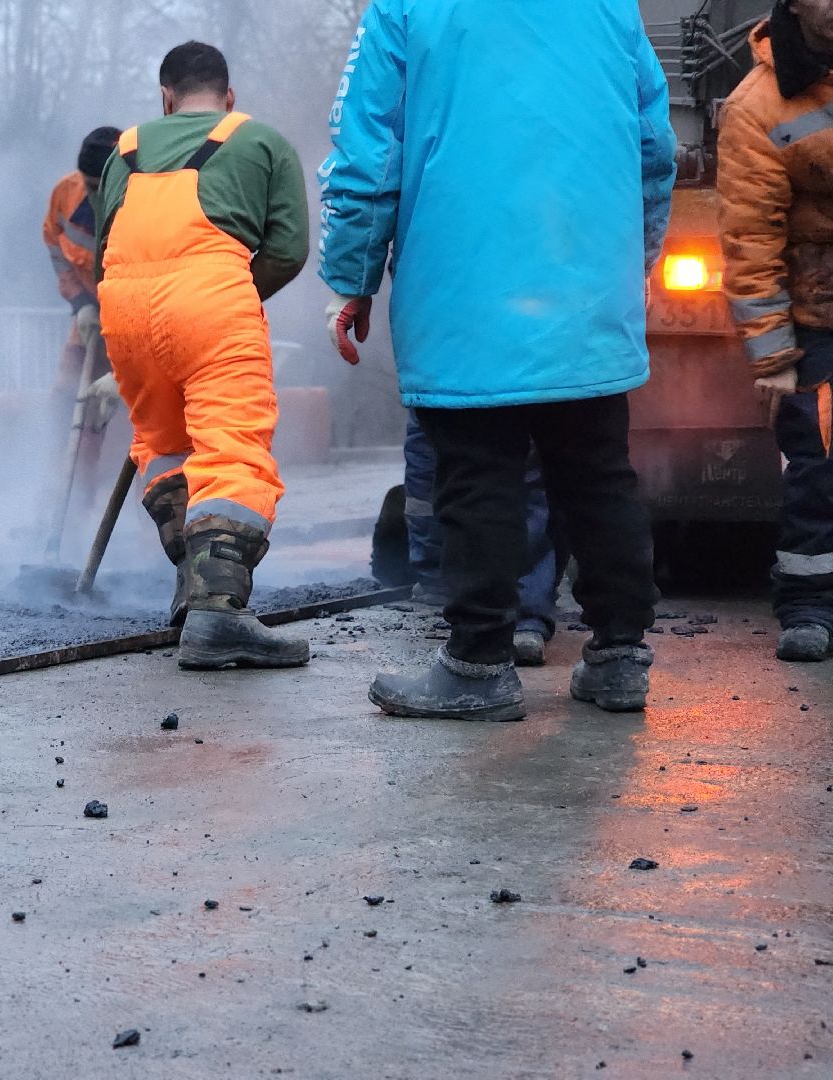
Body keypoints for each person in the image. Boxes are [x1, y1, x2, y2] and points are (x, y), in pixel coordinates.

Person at [320, 1, 676, 720]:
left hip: (464, 285)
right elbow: (653, 144)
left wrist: (351, 277)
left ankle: (478, 665)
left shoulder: (406, 7)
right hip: (586, 286)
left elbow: (368, 150)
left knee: (476, 475)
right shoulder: (610, 6)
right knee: (599, 473)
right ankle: (617, 657)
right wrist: (627, 259)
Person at [93, 41, 310, 669]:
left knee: (165, 446)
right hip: (212, 300)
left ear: (165, 97)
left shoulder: (125, 149)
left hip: (124, 310)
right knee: (232, 445)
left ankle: (195, 589)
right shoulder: (261, 141)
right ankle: (218, 615)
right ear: (228, 96)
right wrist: (233, 296)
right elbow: (288, 249)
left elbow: (108, 245)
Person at [718, 0, 833, 663]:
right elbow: (750, 241)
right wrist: (774, 357)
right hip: (819, 322)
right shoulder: (758, 107)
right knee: (818, 466)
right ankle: (810, 606)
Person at [403, 413, 562, 667]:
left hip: (444, 384)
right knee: (527, 474)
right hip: (526, 382)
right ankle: (524, 617)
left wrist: (432, 574)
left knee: (451, 464)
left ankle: (486, 624)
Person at [44, 127, 122, 395]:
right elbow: (54, 244)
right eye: (87, 184)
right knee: (67, 388)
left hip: (132, 328)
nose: (92, 195)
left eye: (99, 187)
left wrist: (122, 377)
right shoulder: (65, 194)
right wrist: (80, 304)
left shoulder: (144, 206)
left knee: (123, 407)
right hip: (89, 313)